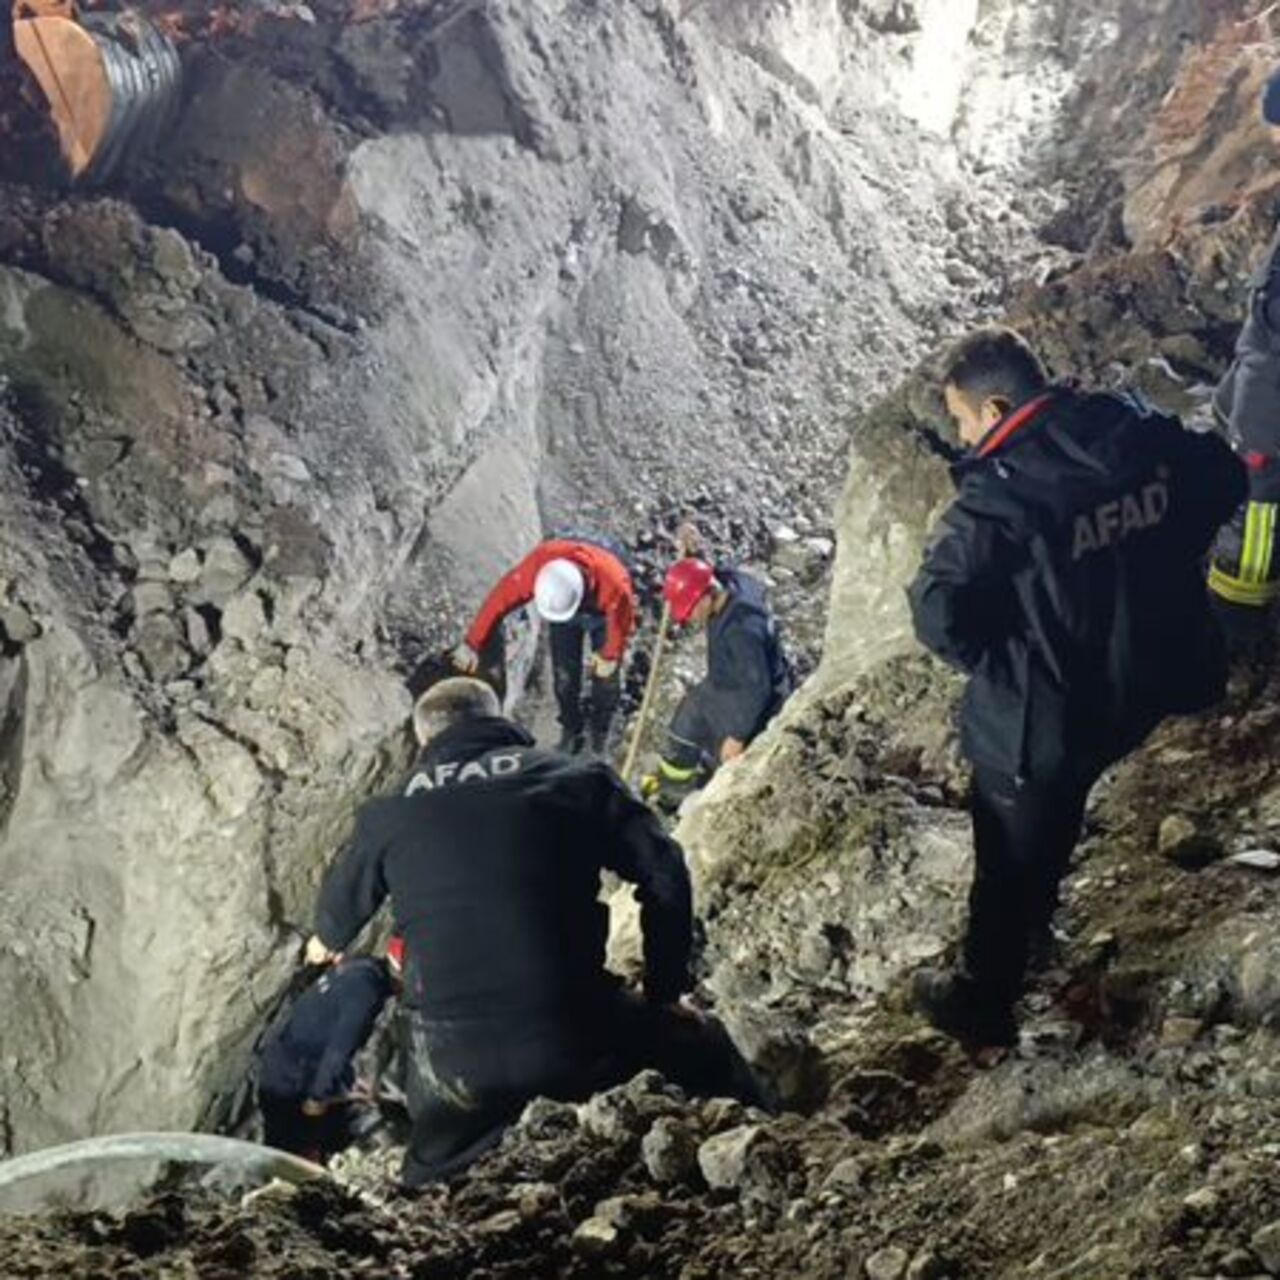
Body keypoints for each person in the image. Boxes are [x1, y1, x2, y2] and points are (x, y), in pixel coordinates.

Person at [907, 327, 1245, 1047]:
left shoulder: (997, 500)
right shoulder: (1130, 428)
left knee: (1006, 849)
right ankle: (1038, 922)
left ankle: (985, 996)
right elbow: (1223, 477)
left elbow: (940, 614)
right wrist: (1159, 564)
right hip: (1145, 680)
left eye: (963, 420)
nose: (963, 437)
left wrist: (1006, 651)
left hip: (1047, 714)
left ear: (994, 407)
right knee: (1061, 805)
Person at [305, 678, 762, 1187]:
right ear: (497, 719)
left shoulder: (386, 813)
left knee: (431, 1183)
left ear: (424, 741)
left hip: (451, 1072)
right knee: (709, 1049)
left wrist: (324, 943)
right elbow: (665, 871)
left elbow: (330, 933)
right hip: (574, 1035)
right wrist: (664, 992)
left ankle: (431, 1194)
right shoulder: (576, 777)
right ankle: (772, 1165)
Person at [1205, 70, 1280, 655]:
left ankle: (1242, 619)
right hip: (1256, 383)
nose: (1276, 142)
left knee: (1260, 508)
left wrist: (1254, 426)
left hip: (1269, 405)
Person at [452, 535, 637, 755]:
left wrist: (610, 655)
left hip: (601, 616)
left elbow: (620, 622)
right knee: (564, 676)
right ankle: (571, 729)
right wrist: (473, 643)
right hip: (564, 617)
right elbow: (499, 600)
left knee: (606, 678)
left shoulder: (613, 582)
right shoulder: (539, 567)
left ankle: (599, 732)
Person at [646, 558, 792, 810]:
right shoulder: (731, 585)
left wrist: (737, 735)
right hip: (729, 678)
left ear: (706, 596)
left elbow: (757, 689)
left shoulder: (740, 631)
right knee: (687, 719)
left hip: (754, 695)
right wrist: (693, 558)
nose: (689, 618)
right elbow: (716, 572)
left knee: (722, 748)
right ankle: (674, 784)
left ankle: (689, 795)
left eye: (690, 609)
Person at [256, 938, 404, 1161]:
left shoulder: (364, 967)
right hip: (291, 1078)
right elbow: (338, 1050)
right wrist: (318, 1097)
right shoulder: (366, 993)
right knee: (292, 1156)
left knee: (322, 1139)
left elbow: (329, 1027)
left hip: (289, 1060)